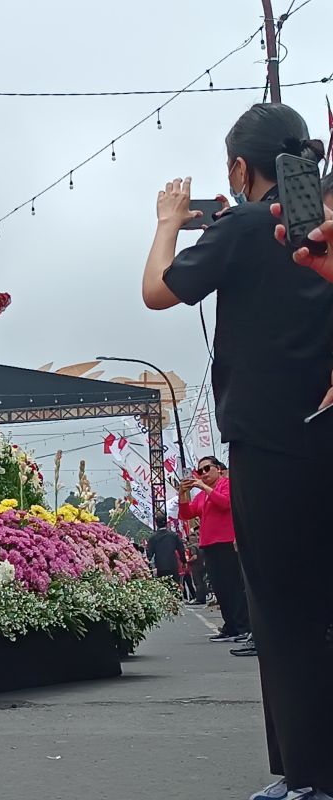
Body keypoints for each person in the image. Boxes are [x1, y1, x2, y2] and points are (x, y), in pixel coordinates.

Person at [142, 102, 333, 800]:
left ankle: (307, 776)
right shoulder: (323, 219)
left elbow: (159, 290)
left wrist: (168, 222)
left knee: (286, 610)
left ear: (239, 168)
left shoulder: (251, 224)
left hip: (272, 439)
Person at [177, 457, 250, 642]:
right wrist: (182, 494)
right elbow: (187, 514)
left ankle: (242, 626)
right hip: (209, 546)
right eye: (200, 471)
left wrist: (203, 487)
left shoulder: (226, 484)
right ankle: (231, 626)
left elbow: (225, 503)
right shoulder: (202, 496)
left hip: (227, 543)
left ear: (218, 469)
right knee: (220, 588)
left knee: (234, 586)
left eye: (207, 469)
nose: (203, 474)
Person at [144, 513, 185, 584]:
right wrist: (184, 561)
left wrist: (148, 567)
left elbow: (149, 554)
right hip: (173, 566)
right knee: (176, 588)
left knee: (165, 588)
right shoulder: (174, 535)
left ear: (156, 523)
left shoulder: (153, 538)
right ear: (166, 522)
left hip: (160, 567)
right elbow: (181, 549)